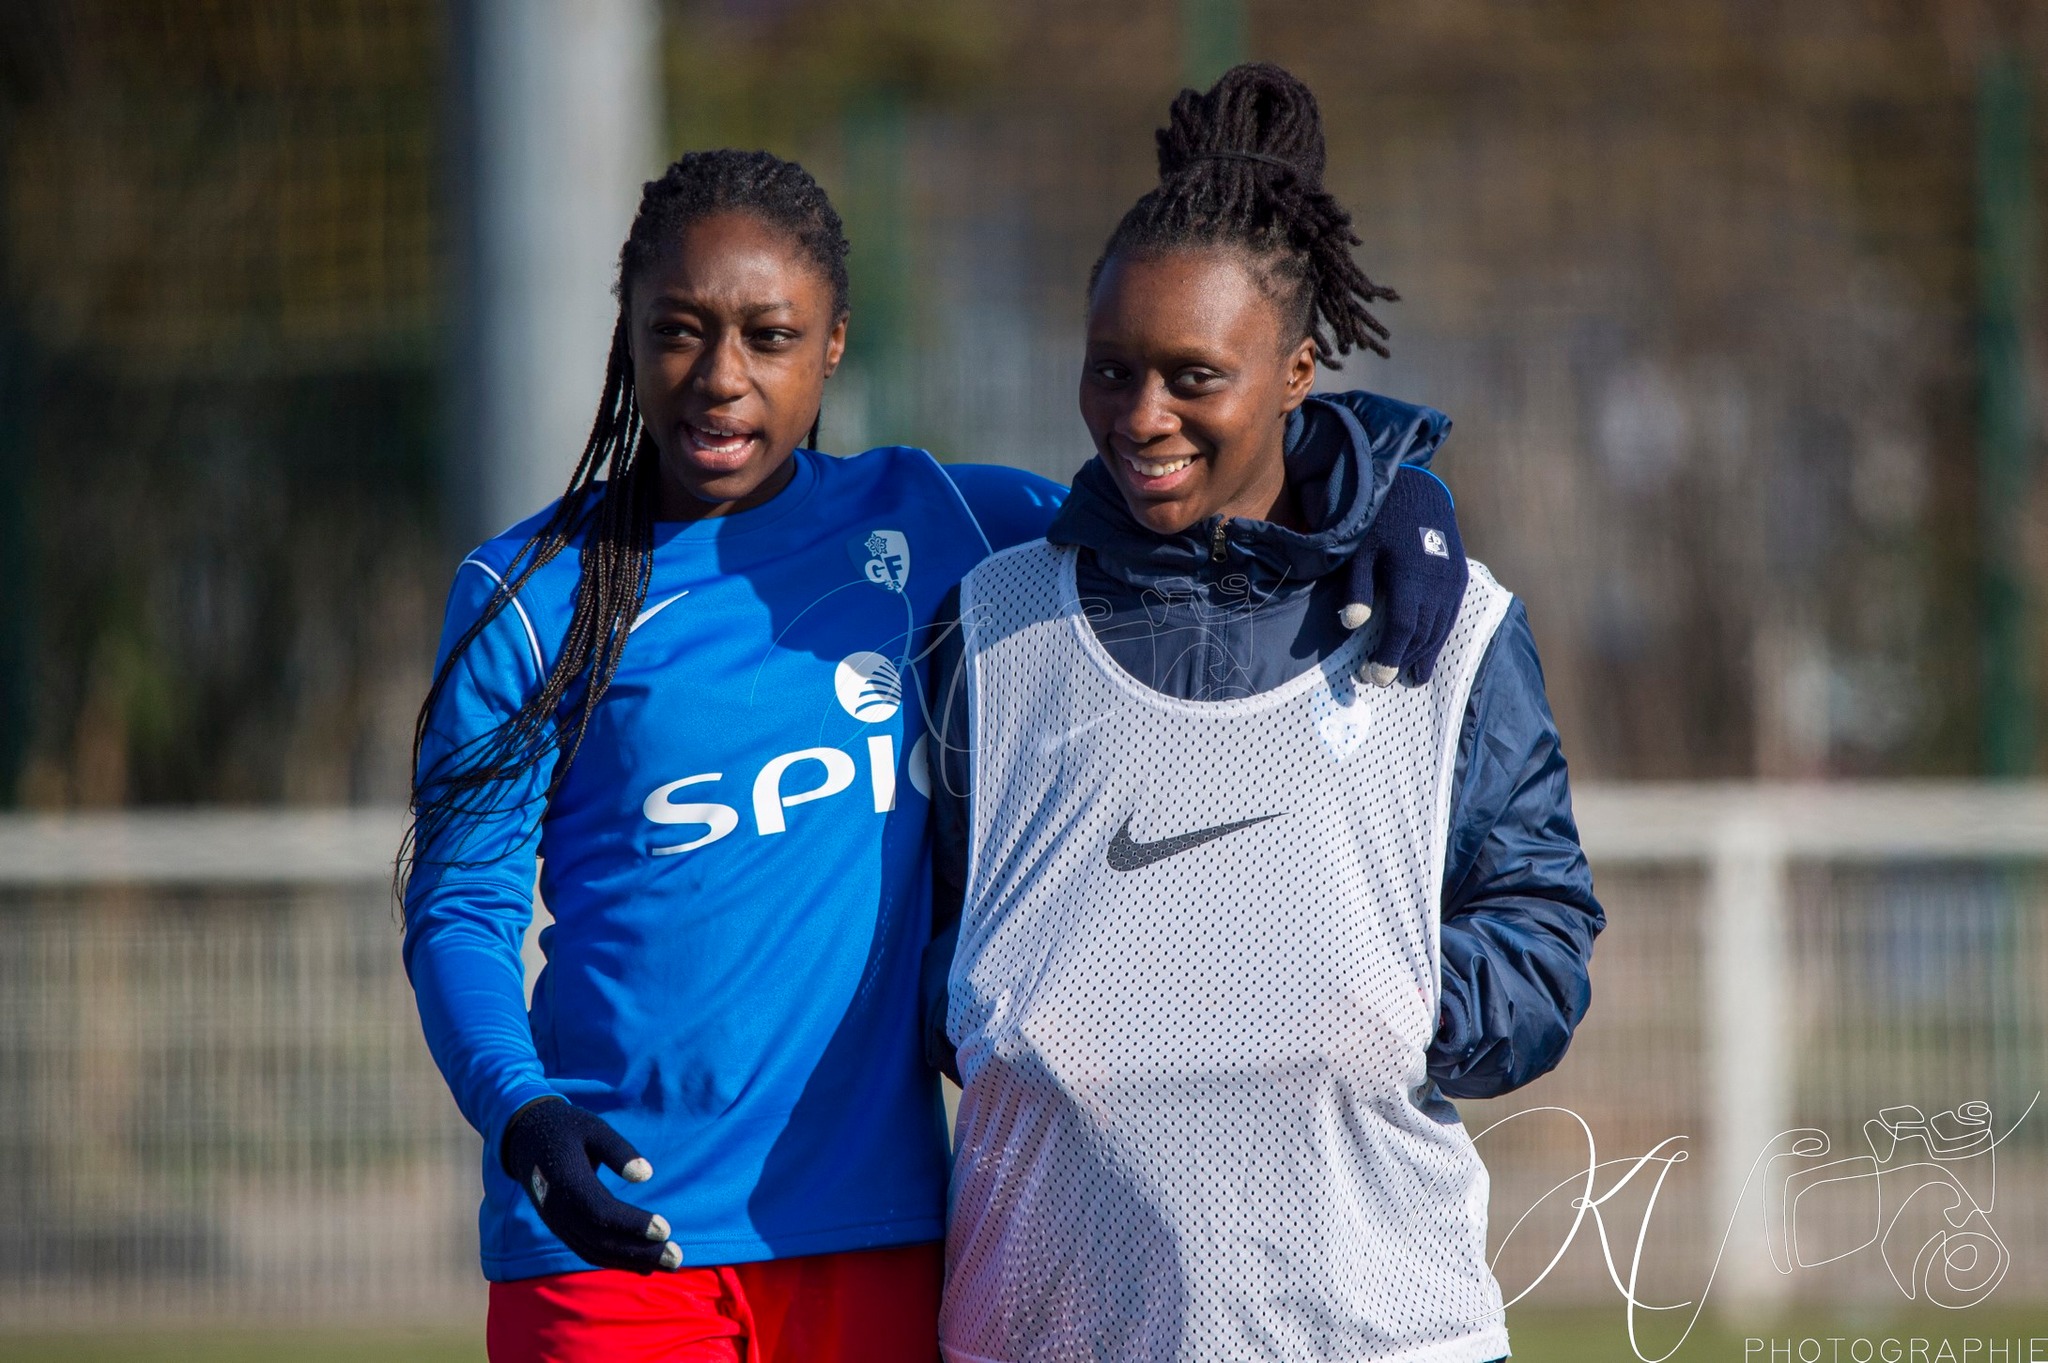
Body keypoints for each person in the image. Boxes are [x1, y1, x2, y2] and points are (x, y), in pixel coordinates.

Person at [402, 149, 1471, 1362]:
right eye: (680, 331)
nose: (719, 378)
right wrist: (524, 1113)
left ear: (833, 347)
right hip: (614, 1237)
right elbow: (458, 910)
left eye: (768, 335)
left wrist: (1401, 494)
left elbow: (1199, 476)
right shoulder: (529, 596)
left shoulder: (938, 522)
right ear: (631, 334)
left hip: (891, 1240)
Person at [924, 64, 1604, 1363]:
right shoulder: (991, 619)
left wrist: (1380, 1006)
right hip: (1044, 1326)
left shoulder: (1447, 625)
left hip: (1373, 1328)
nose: (1141, 416)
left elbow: (1543, 926)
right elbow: (923, 933)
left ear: (1297, 369)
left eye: (1193, 374)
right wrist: (1008, 1016)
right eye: (1110, 369)